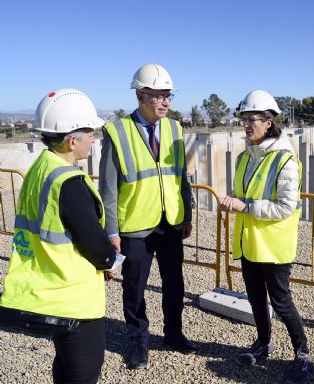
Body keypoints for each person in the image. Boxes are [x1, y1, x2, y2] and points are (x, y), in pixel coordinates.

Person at [0, 88, 120, 383]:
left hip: (49, 288)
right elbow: (95, 244)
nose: (94, 138)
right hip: (74, 299)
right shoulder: (70, 182)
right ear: (72, 139)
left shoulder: (41, 168)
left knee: (65, 365)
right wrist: (111, 261)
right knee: (82, 371)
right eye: (90, 132)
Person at [99, 63, 195, 370]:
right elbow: (108, 187)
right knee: (134, 288)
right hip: (135, 225)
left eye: (169, 96)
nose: (167, 102)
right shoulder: (117, 132)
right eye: (160, 96)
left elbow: (182, 177)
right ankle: (137, 340)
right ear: (141, 96)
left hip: (170, 223)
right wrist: (111, 231)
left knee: (174, 283)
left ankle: (173, 333)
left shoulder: (175, 128)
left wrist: (188, 214)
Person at [219, 90, 312, 383]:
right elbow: (243, 195)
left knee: (281, 302)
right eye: (244, 120)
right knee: (257, 299)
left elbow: (285, 206)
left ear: (269, 122)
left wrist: (244, 205)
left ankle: (303, 353)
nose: (247, 125)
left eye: (253, 120)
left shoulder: (286, 161)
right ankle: (263, 343)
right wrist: (232, 201)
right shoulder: (245, 158)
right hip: (248, 243)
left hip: (273, 246)